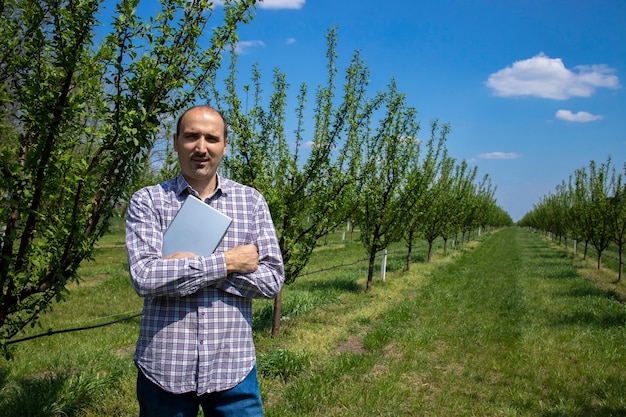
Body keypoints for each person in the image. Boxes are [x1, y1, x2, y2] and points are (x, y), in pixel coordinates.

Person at [125, 105, 284, 417]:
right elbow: (144, 276)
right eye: (191, 137)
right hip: (164, 368)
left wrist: (182, 269)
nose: (201, 147)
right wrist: (228, 262)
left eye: (211, 138)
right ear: (175, 142)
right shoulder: (148, 200)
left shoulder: (250, 201)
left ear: (225, 145)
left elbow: (272, 278)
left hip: (233, 369)